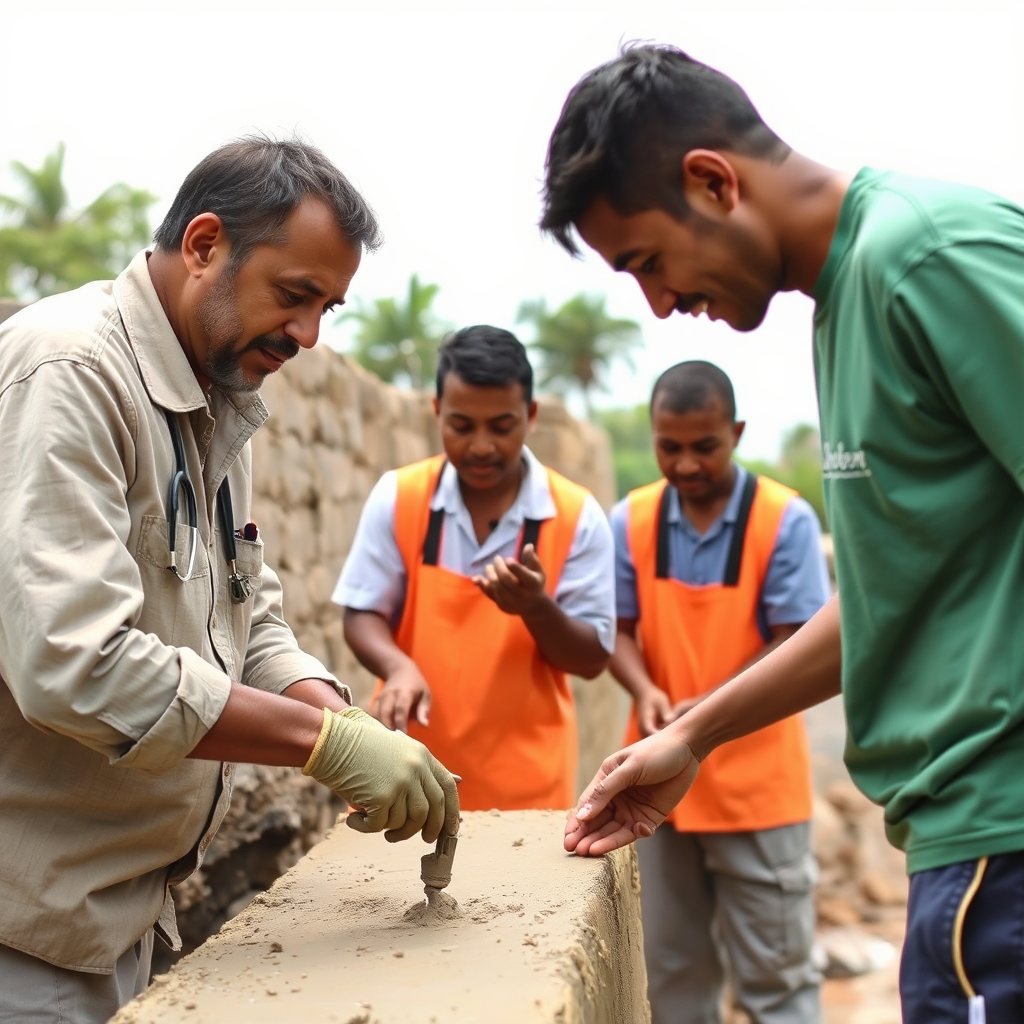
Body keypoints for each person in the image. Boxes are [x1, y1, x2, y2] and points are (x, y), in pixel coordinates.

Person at [541, 44, 1024, 1024]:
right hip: (959, 849)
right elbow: (886, 603)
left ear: (712, 182)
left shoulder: (921, 257)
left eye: (646, 262)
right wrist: (688, 735)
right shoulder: (843, 302)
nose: (659, 304)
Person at [0, 137, 459, 1023]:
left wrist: (341, 717)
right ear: (205, 245)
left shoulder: (217, 398)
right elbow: (76, 664)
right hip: (24, 933)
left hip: (117, 917)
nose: (308, 336)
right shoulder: (69, 374)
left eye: (328, 308)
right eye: (295, 296)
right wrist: (322, 747)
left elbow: (249, 618)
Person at [609, 359, 829, 1024]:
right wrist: (646, 687)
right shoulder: (633, 519)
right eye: (668, 447)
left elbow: (797, 643)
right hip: (651, 791)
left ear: (735, 432)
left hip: (758, 788)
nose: (685, 463)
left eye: (704, 446)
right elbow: (615, 630)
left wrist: (701, 711)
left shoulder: (782, 520)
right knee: (673, 973)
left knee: (777, 978)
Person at [334, 325, 615, 811]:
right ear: (437, 411)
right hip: (407, 775)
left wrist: (537, 608)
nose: (481, 446)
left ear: (530, 415)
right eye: (462, 426)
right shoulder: (400, 497)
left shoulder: (576, 515)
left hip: (527, 790)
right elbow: (361, 614)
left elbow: (591, 659)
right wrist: (398, 667)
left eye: (501, 426)